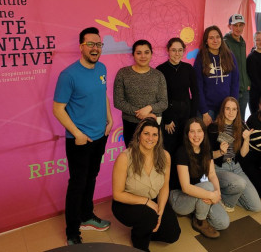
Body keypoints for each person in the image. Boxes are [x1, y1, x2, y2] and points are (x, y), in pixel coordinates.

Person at [53, 27, 113, 245]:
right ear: (81, 47)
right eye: (90, 44)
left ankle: (87, 216)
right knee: (77, 184)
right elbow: (58, 108)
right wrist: (77, 133)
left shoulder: (102, 68)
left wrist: (109, 119)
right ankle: (72, 232)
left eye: (98, 44)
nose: (95, 48)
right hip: (79, 140)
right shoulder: (68, 75)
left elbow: (103, 94)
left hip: (100, 136)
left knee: (92, 178)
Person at [112, 118, 180, 252]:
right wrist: (147, 202)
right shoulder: (125, 158)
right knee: (149, 216)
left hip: (153, 199)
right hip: (126, 203)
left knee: (173, 234)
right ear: (138, 135)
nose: (151, 138)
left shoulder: (165, 156)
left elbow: (165, 186)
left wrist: (160, 211)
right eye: (146, 133)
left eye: (155, 134)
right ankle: (139, 242)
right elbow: (117, 194)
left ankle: (146, 228)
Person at [169, 118, 230, 238]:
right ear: (187, 134)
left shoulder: (206, 149)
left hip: (197, 193)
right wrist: (211, 195)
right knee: (208, 187)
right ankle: (199, 222)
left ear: (204, 133)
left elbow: (212, 174)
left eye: (199, 131)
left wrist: (217, 193)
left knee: (223, 223)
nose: (196, 135)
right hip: (178, 197)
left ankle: (197, 209)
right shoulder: (182, 152)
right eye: (192, 131)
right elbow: (186, 188)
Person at [207, 97, 261, 212]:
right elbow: (207, 156)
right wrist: (221, 152)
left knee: (256, 207)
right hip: (219, 168)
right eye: (228, 109)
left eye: (234, 109)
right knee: (240, 183)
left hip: (236, 167)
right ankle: (227, 201)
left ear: (238, 111)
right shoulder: (213, 128)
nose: (231, 112)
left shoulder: (240, 126)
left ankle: (229, 191)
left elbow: (243, 154)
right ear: (223, 110)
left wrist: (246, 139)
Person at [113, 40, 168, 147]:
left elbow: (163, 102)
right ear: (133, 54)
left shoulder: (158, 75)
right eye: (139, 53)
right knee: (133, 158)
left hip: (153, 125)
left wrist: (149, 108)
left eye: (146, 52)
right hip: (131, 124)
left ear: (151, 54)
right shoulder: (123, 73)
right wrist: (142, 114)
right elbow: (118, 102)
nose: (143, 56)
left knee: (152, 159)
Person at [156, 37, 199, 157]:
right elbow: (159, 97)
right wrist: (167, 118)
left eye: (180, 50)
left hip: (186, 115)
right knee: (170, 150)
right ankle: (171, 175)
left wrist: (193, 118)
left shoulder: (188, 69)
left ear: (184, 51)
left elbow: (195, 94)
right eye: (174, 50)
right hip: (170, 118)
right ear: (168, 51)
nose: (177, 53)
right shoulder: (160, 70)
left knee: (186, 149)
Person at [194, 25, 239, 127]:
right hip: (206, 109)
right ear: (206, 41)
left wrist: (231, 107)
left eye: (218, 37)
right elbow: (198, 87)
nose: (215, 40)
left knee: (222, 139)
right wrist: (204, 112)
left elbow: (235, 83)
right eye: (211, 38)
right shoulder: (201, 58)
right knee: (205, 139)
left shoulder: (229, 56)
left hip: (226, 109)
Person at [224, 14, 250, 119]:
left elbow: (242, 65)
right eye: (235, 25)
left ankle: (240, 136)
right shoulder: (225, 42)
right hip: (233, 88)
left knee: (241, 118)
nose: (238, 28)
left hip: (244, 88)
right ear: (229, 26)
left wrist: (247, 82)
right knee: (231, 118)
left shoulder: (242, 41)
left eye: (240, 25)